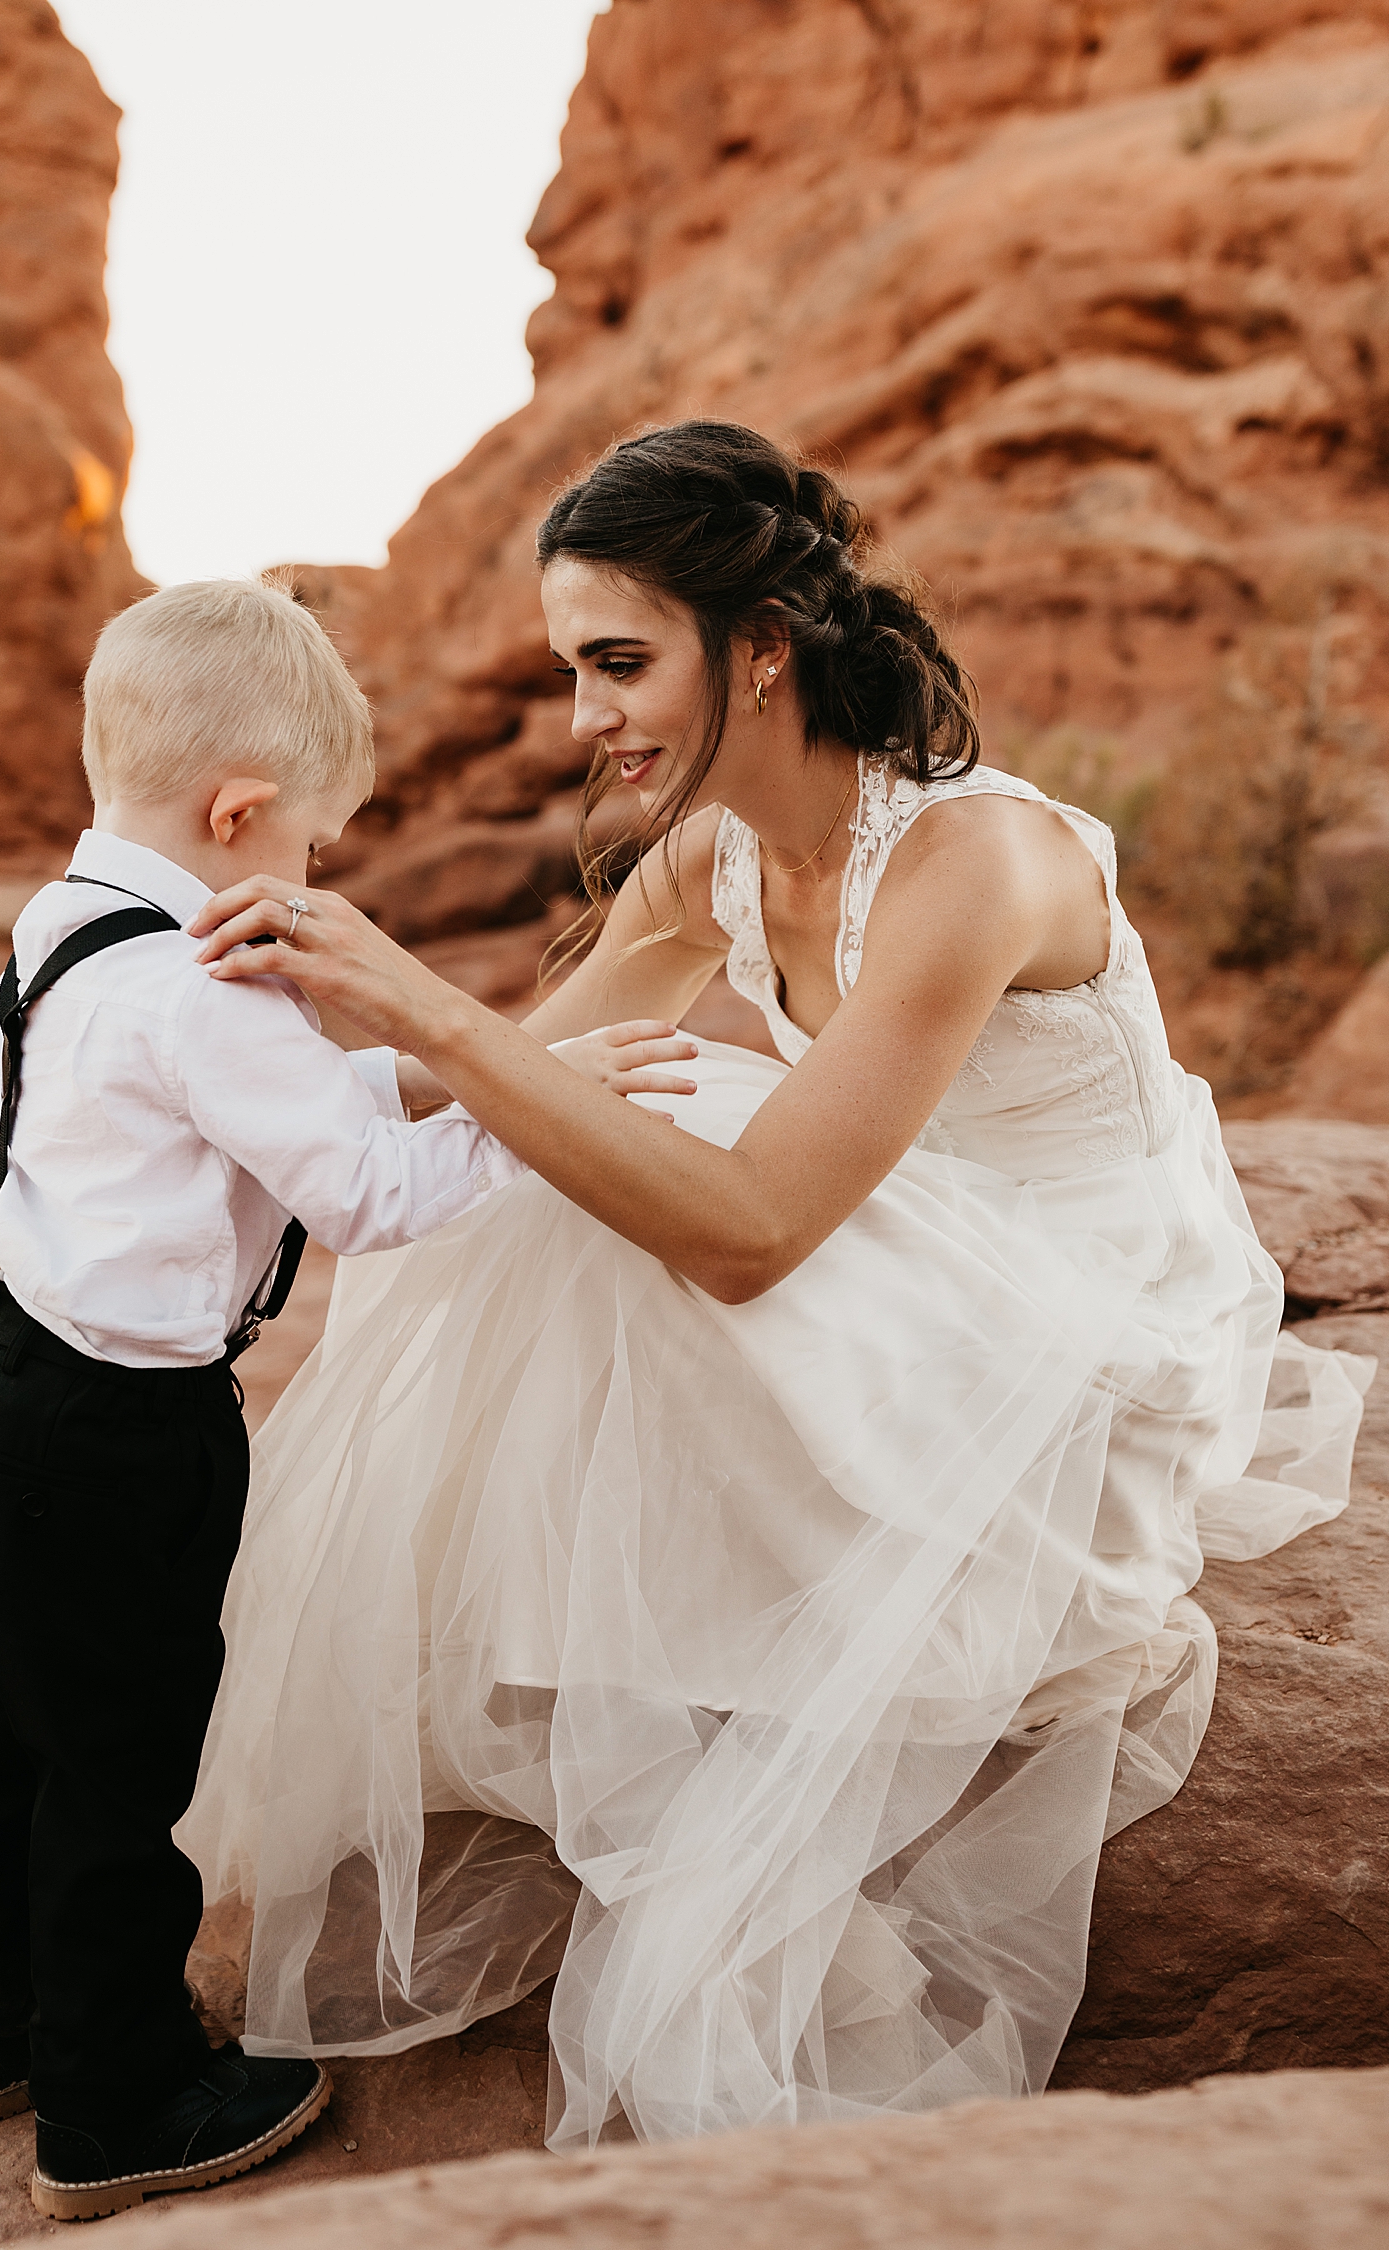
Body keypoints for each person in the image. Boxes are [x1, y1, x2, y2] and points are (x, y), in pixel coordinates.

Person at [181, 424, 1373, 2147]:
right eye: (571, 667)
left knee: (644, 1145)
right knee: (561, 1158)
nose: (587, 715)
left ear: (762, 647)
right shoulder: (713, 855)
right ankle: (591, 1654)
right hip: (920, 1260)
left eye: (619, 661)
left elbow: (751, 1232)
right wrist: (217, 1029)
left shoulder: (976, 858)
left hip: (1086, 1312)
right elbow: (508, 1066)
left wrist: (423, 1006)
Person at [0, 576, 686, 2222]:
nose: (315, 876)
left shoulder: (69, 927)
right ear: (237, 809)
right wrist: (528, 1099)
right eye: (314, 844)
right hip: (119, 1436)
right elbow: (371, 1194)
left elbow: (263, 1099)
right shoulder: (211, 982)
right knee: (123, 1762)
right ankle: (116, 2099)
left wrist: (448, 1055)